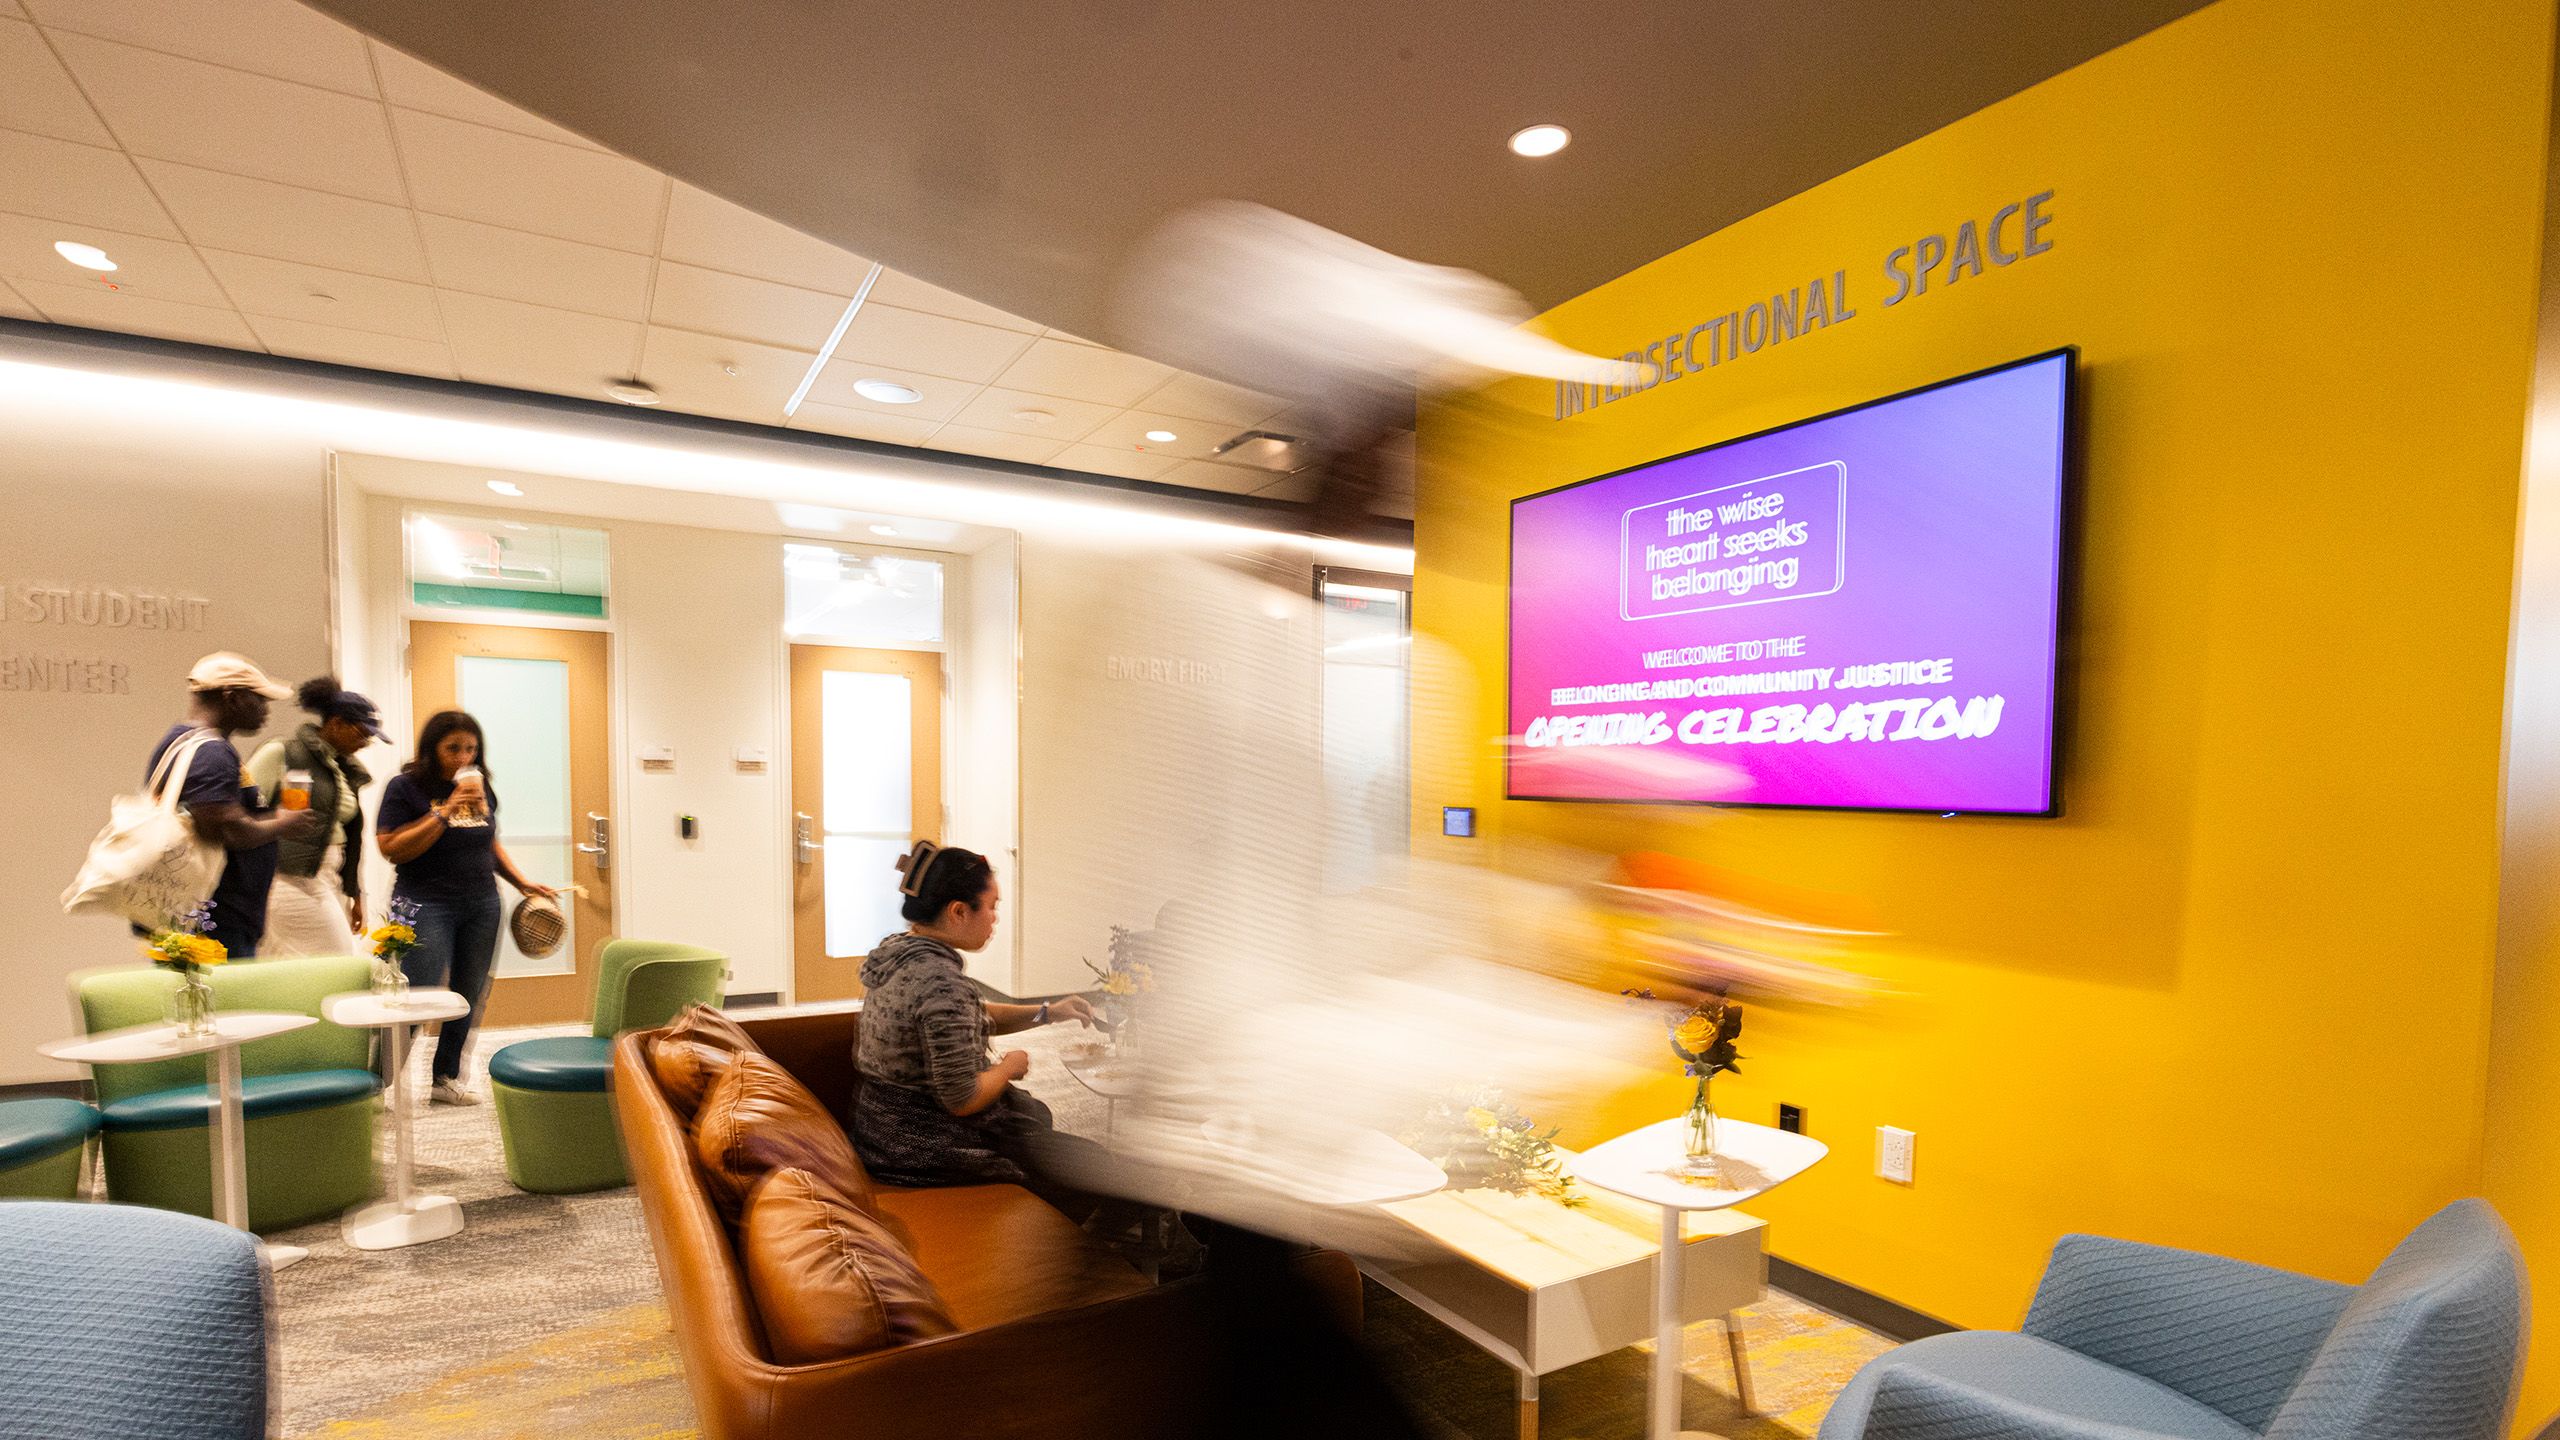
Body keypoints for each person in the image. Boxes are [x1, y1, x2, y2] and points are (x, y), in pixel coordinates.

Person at [850, 842, 1114, 1216]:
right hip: (922, 1146)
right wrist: (1008, 1067)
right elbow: (962, 1098)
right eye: (992, 907)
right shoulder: (940, 981)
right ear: (959, 911)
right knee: (1099, 1169)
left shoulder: (899, 952)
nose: (995, 919)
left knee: (1037, 1119)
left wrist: (1048, 1012)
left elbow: (966, 1015)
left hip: (880, 1130)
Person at [374, 710, 557, 1105]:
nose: (462, 757)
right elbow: (390, 848)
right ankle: (376, 1081)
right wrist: (445, 809)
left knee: (469, 993)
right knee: (416, 994)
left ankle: (446, 1078)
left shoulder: (481, 786)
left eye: (470, 749)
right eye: (453, 748)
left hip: (481, 902)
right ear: (432, 749)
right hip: (425, 902)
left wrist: (520, 880)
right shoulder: (405, 787)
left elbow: (487, 842)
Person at [143, 653, 318, 957]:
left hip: (202, 914)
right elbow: (224, 828)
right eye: (260, 699)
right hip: (216, 921)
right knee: (224, 1003)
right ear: (232, 698)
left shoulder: (180, 742)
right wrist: (284, 823)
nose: (265, 710)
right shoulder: (212, 753)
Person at [246, 677, 387, 958]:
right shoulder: (282, 752)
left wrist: (354, 892)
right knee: (340, 958)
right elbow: (245, 812)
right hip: (286, 878)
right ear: (336, 724)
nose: (366, 743)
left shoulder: (344, 769)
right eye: (361, 733)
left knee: (293, 963)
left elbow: (352, 836)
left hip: (324, 877)